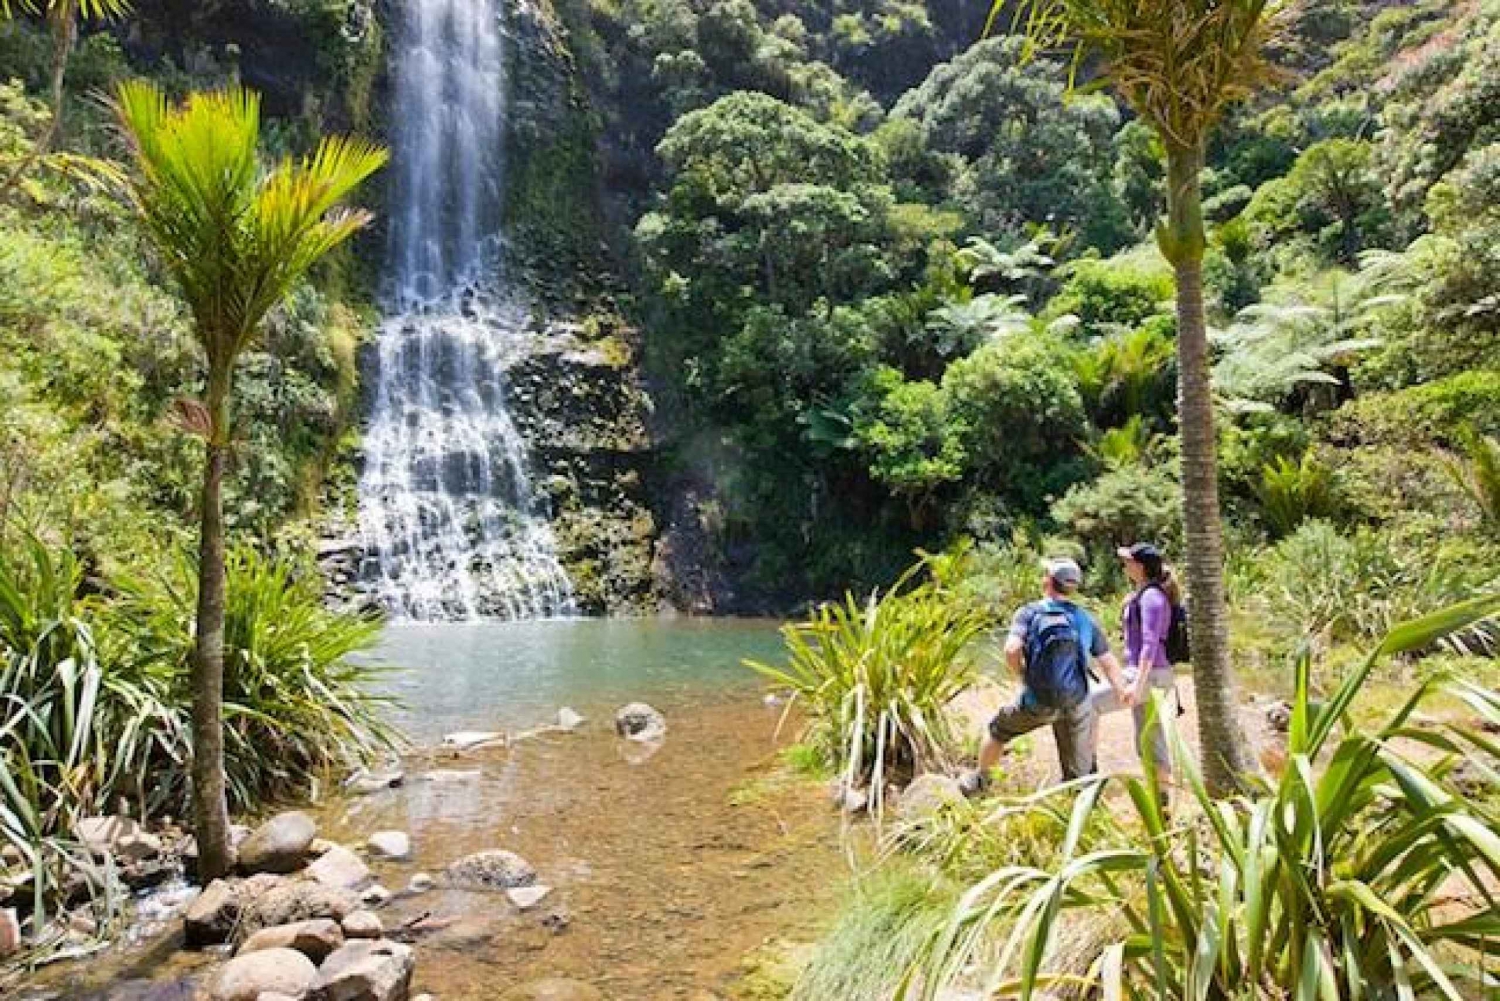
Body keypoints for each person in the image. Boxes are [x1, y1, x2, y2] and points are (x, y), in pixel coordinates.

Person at [959, 558, 1132, 795]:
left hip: (1038, 701)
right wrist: (1122, 691)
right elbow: (1109, 662)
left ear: (1048, 581)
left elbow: (1011, 649)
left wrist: (1022, 675)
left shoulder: (1029, 612)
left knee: (998, 730)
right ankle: (1081, 798)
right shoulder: (1085, 618)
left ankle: (980, 783)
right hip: (1076, 701)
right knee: (1077, 766)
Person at [1093, 542, 1182, 798]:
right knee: (1151, 737)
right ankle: (1161, 797)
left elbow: (1150, 645)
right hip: (1154, 675)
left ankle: (1085, 770)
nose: (1125, 565)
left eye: (1129, 561)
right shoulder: (1145, 594)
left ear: (1140, 566)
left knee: (1089, 703)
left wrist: (1137, 685)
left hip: (1149, 675)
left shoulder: (1152, 598)